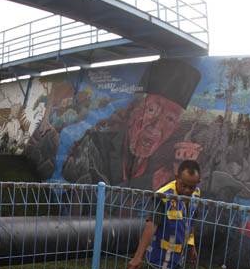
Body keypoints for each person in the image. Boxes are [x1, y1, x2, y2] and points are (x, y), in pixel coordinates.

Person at [62, 58, 201, 190]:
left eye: (170, 119)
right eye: (151, 110)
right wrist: (149, 182)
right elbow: (93, 197)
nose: (157, 125)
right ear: (132, 111)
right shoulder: (95, 145)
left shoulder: (160, 166)